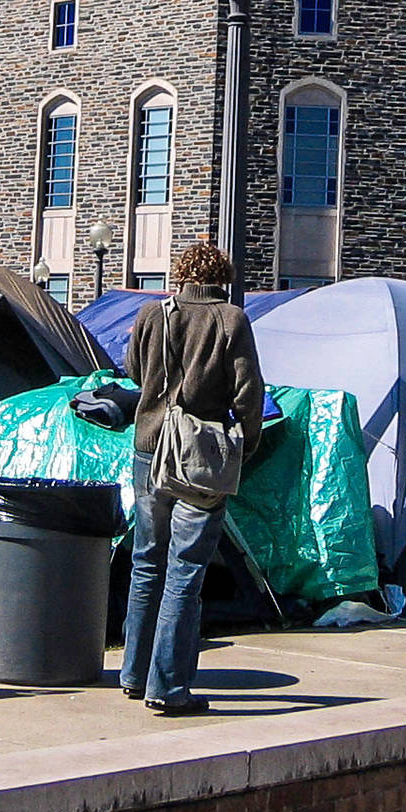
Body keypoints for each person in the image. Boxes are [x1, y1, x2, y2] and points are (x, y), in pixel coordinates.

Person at [119, 241, 264, 715]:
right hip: (199, 457)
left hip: (149, 448)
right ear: (222, 275)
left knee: (146, 564)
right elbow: (248, 394)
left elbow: (134, 371)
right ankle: (169, 687)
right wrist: (245, 446)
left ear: (180, 274)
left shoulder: (152, 313)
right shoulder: (230, 319)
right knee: (185, 573)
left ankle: (133, 674)